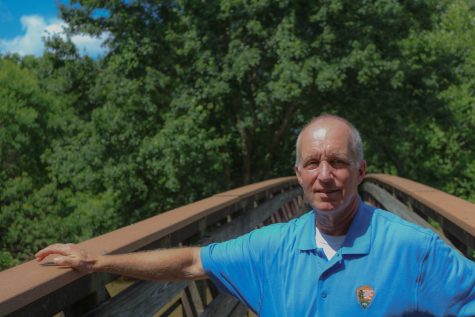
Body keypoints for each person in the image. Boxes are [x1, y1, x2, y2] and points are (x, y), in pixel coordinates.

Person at [36, 114, 475, 316]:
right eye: (311, 164)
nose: (325, 176)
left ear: (360, 171)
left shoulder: (412, 249)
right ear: (297, 175)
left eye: (338, 163)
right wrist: (98, 262)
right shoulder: (274, 245)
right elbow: (191, 262)